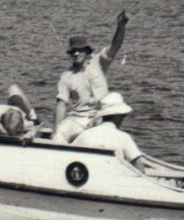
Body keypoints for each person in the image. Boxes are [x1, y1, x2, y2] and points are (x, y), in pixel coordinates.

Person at [52, 10, 130, 143]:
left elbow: (115, 46)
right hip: (77, 119)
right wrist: (56, 129)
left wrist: (121, 25)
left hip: (101, 116)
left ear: (87, 51)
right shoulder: (66, 77)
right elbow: (61, 105)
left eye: (80, 50)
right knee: (60, 133)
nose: (76, 54)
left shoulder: (99, 62)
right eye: (73, 51)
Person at [71, 92, 148, 173]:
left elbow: (69, 155)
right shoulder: (123, 137)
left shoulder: (85, 135)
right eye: (123, 116)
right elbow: (138, 165)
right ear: (118, 117)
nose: (123, 118)